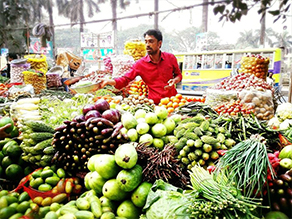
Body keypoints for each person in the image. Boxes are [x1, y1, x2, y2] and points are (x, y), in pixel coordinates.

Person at [99, 29, 182, 104]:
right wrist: (110, 81)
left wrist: (174, 80)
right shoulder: (140, 64)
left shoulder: (170, 58)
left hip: (174, 102)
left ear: (159, 43)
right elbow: (125, 79)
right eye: (146, 42)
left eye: (151, 41)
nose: (147, 45)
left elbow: (179, 75)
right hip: (155, 104)